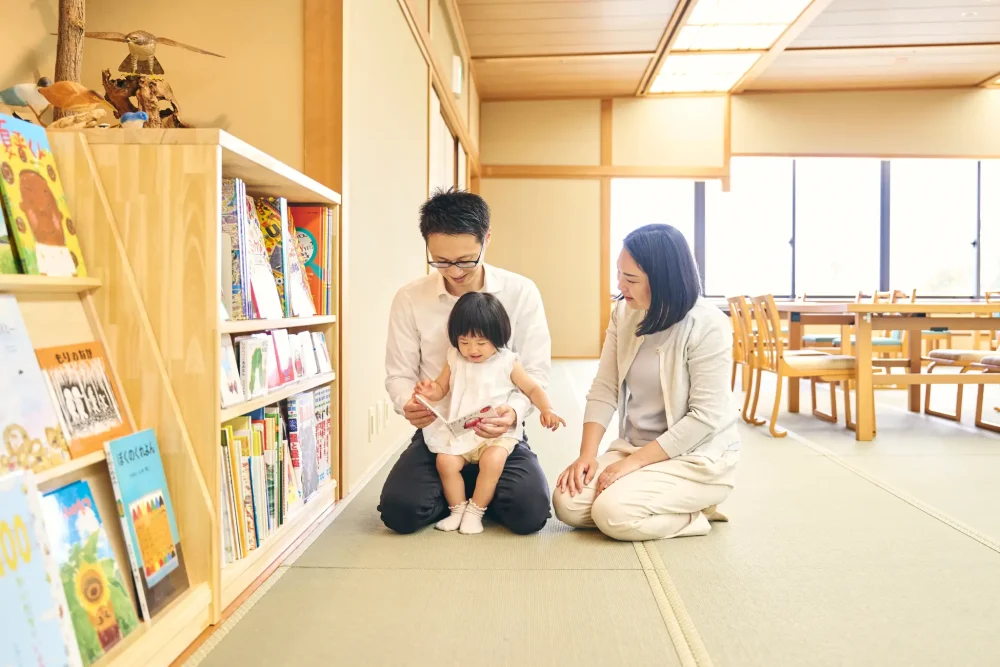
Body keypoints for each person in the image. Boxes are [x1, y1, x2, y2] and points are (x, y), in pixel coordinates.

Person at [380, 188, 553, 535]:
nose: (454, 272)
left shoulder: (521, 292)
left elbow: (535, 373)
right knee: (400, 513)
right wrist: (409, 403)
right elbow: (399, 374)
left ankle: (477, 494)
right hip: (440, 432)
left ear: (486, 239)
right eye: (441, 261)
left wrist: (513, 413)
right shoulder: (410, 298)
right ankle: (462, 494)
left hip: (498, 433)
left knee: (529, 514)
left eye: (465, 260)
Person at [552, 224, 741, 541]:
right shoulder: (625, 313)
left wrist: (633, 465)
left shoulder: (707, 325)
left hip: (695, 457)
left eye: (631, 278)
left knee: (611, 514)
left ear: (663, 280)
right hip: (634, 448)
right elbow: (605, 387)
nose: (620, 285)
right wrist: (587, 455)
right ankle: (656, 501)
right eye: (619, 273)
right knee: (567, 503)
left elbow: (704, 417)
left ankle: (696, 514)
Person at [414, 292, 566, 534]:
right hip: (462, 431)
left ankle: (475, 511)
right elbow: (441, 388)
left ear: (498, 336)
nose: (472, 349)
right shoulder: (454, 357)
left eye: (481, 342)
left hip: (496, 434)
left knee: (492, 461)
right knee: (445, 462)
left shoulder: (508, 361)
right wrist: (430, 391)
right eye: (464, 341)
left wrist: (547, 409)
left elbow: (532, 388)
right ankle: (457, 509)